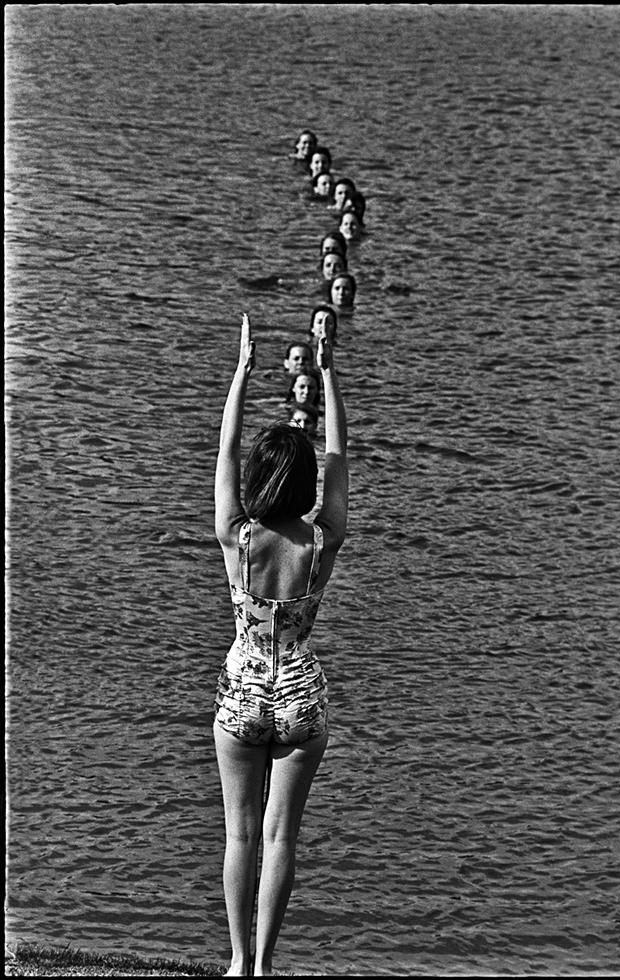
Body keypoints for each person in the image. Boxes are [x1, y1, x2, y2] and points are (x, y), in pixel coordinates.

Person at [214, 313, 348, 978]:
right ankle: (265, 966)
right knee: (280, 835)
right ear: (304, 485)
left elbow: (225, 451)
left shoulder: (237, 537)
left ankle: (237, 963)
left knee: (240, 832)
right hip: (300, 694)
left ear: (259, 480)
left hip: (243, 689)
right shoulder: (321, 542)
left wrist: (242, 373)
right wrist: (327, 373)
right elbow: (340, 460)